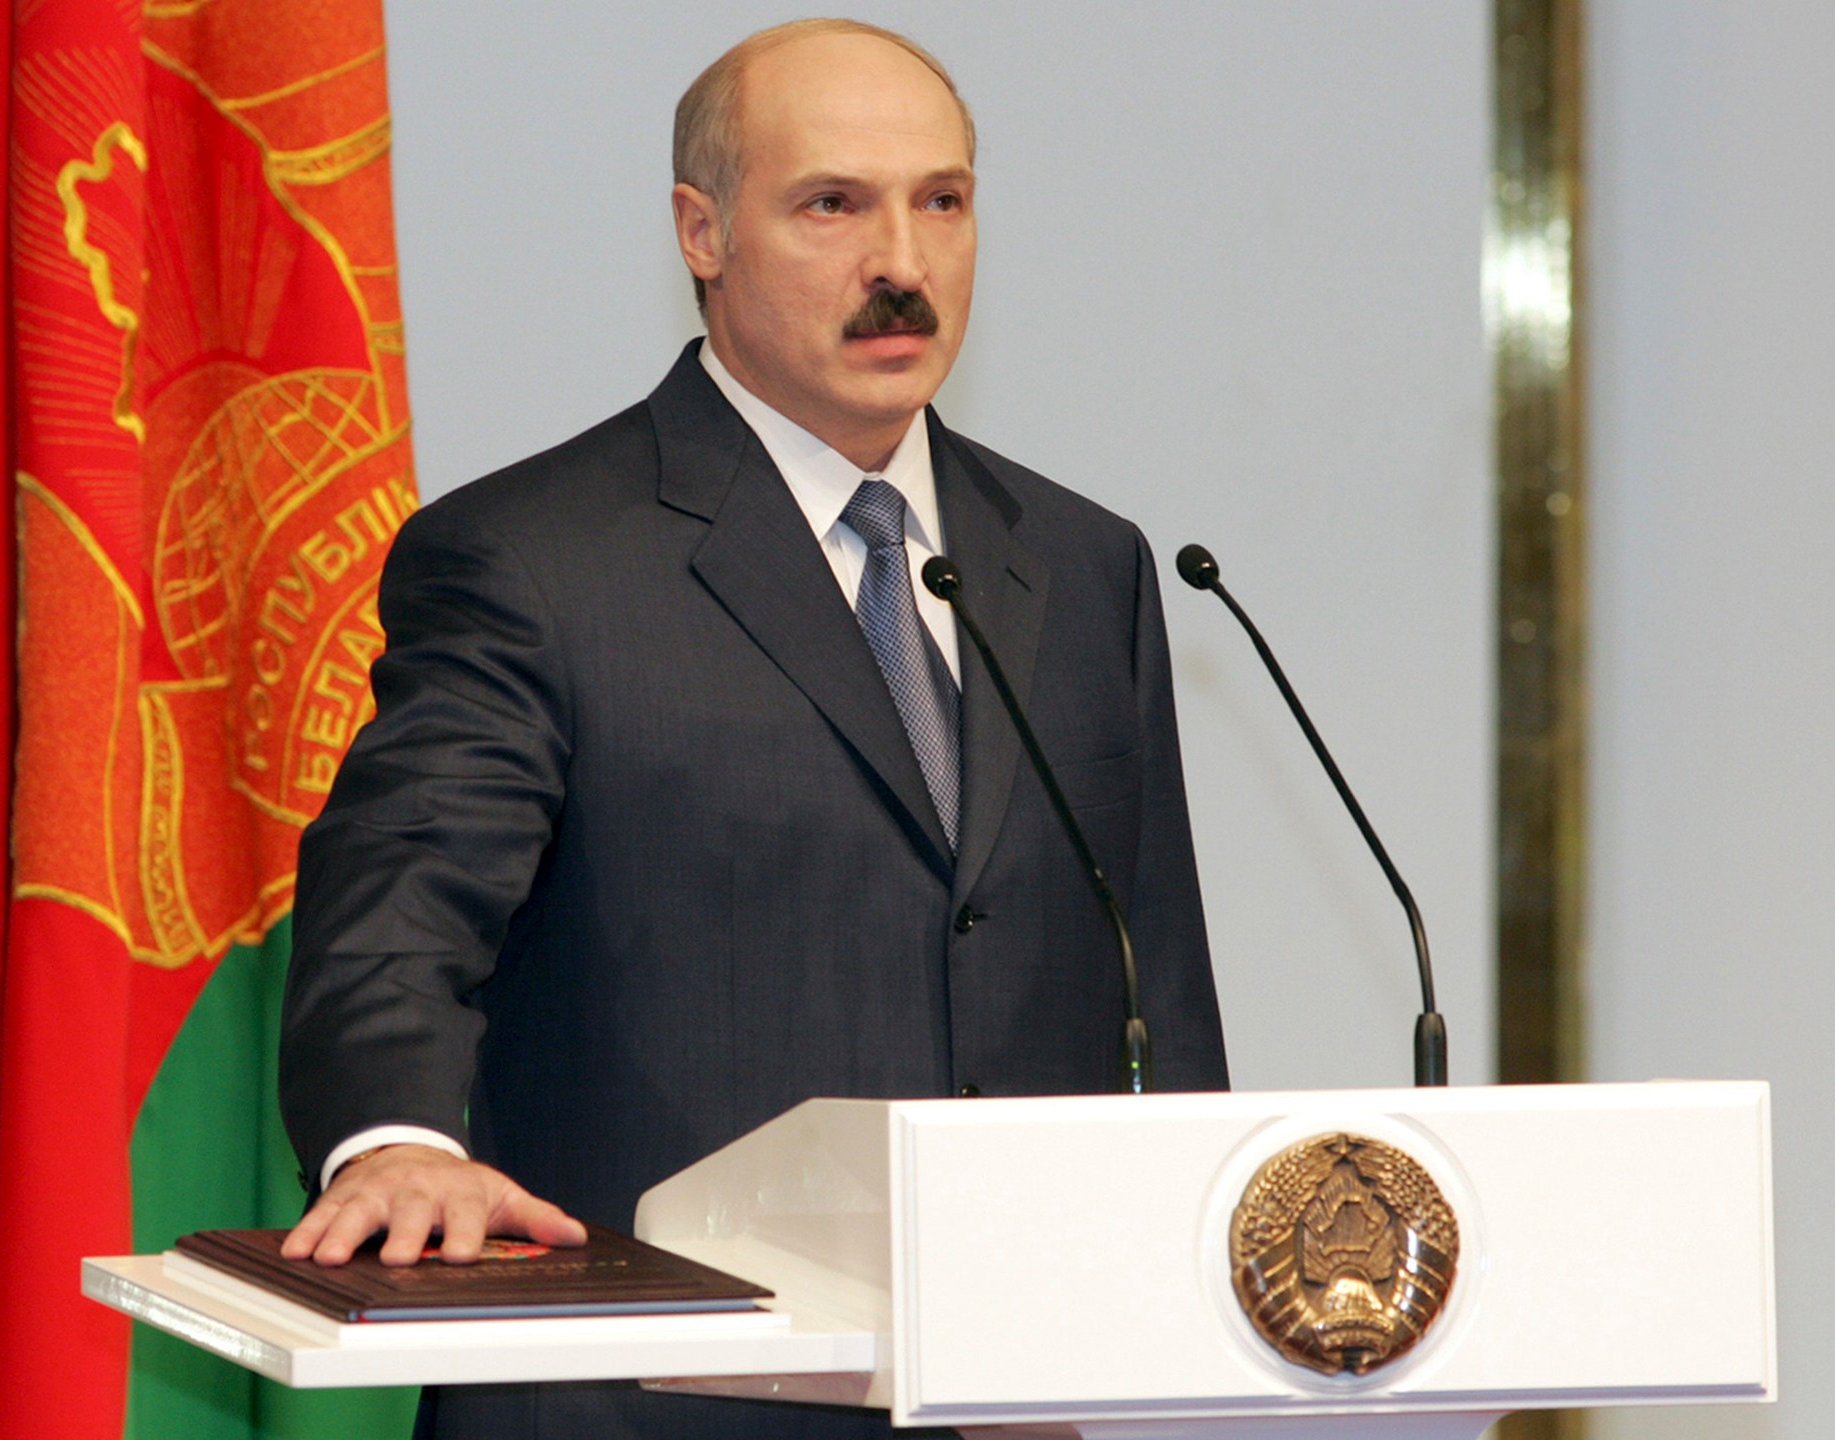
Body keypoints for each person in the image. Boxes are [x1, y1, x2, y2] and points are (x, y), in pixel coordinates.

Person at [278, 18, 1228, 1439]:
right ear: (702, 232)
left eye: (943, 202)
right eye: (833, 204)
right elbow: (396, 910)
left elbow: (1155, 989)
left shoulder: (1083, 566)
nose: (900, 262)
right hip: (648, 1396)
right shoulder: (532, 561)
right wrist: (401, 1139)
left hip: (1019, 1396)